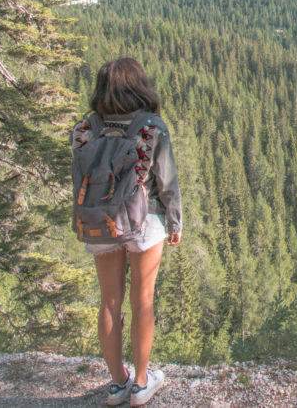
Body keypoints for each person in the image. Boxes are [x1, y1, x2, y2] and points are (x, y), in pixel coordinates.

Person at [75, 58, 182, 407]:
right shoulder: (151, 127)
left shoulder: (84, 129)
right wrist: (175, 222)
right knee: (142, 299)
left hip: (101, 220)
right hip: (144, 220)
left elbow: (81, 180)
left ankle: (117, 382)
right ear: (139, 86)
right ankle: (140, 383)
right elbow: (166, 183)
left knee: (109, 300)